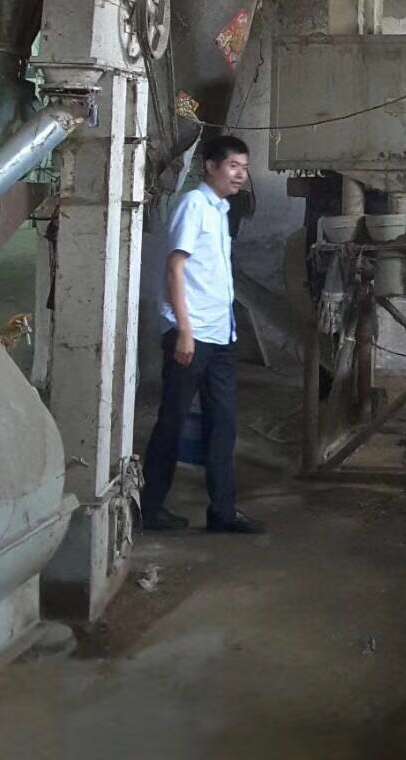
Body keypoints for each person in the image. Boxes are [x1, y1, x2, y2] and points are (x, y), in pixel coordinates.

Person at [140, 134, 264, 534]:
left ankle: (222, 512)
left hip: (221, 336)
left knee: (222, 424)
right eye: (233, 166)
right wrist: (184, 332)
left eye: (244, 168)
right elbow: (175, 268)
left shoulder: (220, 209)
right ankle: (150, 508)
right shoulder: (193, 204)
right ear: (210, 166)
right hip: (191, 335)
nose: (240, 174)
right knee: (172, 421)